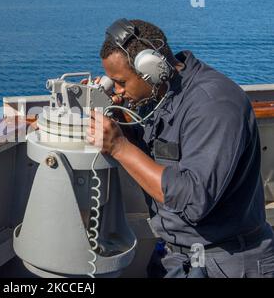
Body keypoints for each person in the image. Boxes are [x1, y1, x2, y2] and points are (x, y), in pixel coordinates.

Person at [87, 18, 274, 278]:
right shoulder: (160, 93)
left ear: (150, 68)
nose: (117, 91)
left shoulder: (214, 104)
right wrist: (114, 120)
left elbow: (195, 200)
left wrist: (119, 147)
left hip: (224, 262)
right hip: (174, 256)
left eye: (121, 82)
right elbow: (154, 152)